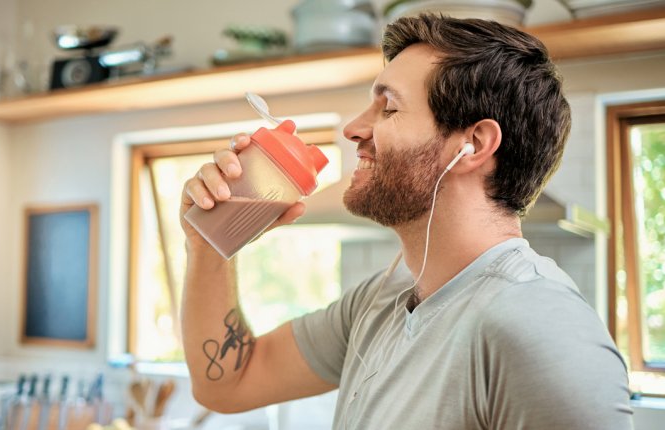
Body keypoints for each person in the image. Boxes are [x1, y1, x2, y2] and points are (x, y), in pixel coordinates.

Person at [179, 14, 633, 429]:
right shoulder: (380, 304)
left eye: (388, 108)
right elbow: (227, 383)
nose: (354, 128)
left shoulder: (541, 326)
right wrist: (208, 244)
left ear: (473, 144)